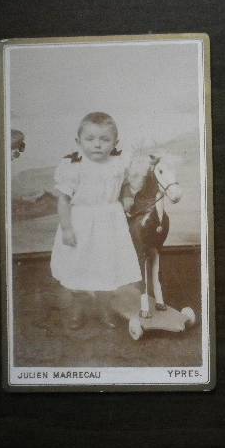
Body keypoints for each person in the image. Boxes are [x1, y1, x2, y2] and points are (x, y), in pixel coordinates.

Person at [50, 112, 141, 329]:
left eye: (104, 139)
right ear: (78, 141)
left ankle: (104, 309)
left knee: (107, 266)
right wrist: (67, 229)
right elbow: (63, 200)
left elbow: (125, 183)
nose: (97, 145)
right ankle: (78, 309)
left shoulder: (118, 163)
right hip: (81, 222)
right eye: (90, 139)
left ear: (115, 143)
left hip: (110, 222)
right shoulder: (73, 165)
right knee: (78, 266)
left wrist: (127, 196)